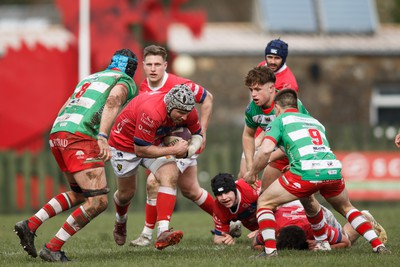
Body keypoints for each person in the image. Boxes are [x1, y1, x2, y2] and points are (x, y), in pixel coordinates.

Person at [14, 49, 139, 262]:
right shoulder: (124, 80)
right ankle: (53, 247)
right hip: (80, 137)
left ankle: (31, 224)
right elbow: (113, 100)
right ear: (132, 69)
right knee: (98, 201)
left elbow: (67, 104)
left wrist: (59, 132)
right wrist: (102, 136)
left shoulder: (91, 77)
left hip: (59, 131)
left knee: (81, 194)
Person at [244, 89, 390, 258]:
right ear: (296, 105)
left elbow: (265, 151)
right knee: (345, 207)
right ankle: (377, 245)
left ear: (277, 108)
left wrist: (252, 172)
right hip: (332, 169)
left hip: (306, 172)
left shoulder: (280, 120)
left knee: (264, 202)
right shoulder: (315, 121)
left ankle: (270, 252)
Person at [122, 45, 215, 247]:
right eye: (149, 64)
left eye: (157, 64)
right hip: (159, 144)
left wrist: (202, 133)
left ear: (165, 65)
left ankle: (153, 234)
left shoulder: (180, 84)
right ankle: (228, 221)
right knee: (191, 190)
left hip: (181, 141)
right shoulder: (143, 87)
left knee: (154, 183)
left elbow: (208, 98)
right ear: (144, 66)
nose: (153, 69)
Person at [109, 84, 204, 250]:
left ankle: (163, 232)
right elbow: (140, 150)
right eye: (180, 113)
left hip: (153, 141)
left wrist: (189, 151)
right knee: (126, 195)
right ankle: (120, 220)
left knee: (170, 174)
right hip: (125, 146)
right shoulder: (152, 112)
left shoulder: (187, 109)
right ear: (169, 106)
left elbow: (198, 135)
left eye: (187, 113)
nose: (184, 117)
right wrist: (174, 150)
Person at [238, 38, 298, 178]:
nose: (272, 61)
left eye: (277, 58)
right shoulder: (262, 68)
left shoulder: (289, 85)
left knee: (262, 181)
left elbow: (283, 122)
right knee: (243, 175)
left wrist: (261, 138)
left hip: (279, 134)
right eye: (269, 57)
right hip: (261, 126)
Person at [241, 66, 309, 190]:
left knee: (307, 201)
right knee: (264, 195)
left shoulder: (287, 104)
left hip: (303, 153)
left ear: (271, 88)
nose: (253, 94)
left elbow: (298, 139)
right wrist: (251, 166)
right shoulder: (252, 109)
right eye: (251, 90)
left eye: (257, 89)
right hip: (281, 153)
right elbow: (248, 135)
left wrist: (261, 162)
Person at [210, 173, 260, 246]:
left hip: (272, 216)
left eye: (227, 192)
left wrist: (264, 228)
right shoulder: (218, 208)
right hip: (251, 223)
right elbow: (217, 239)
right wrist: (226, 240)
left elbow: (277, 206)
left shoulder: (251, 189)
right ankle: (235, 225)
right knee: (258, 242)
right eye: (219, 194)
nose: (224, 197)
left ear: (235, 190)